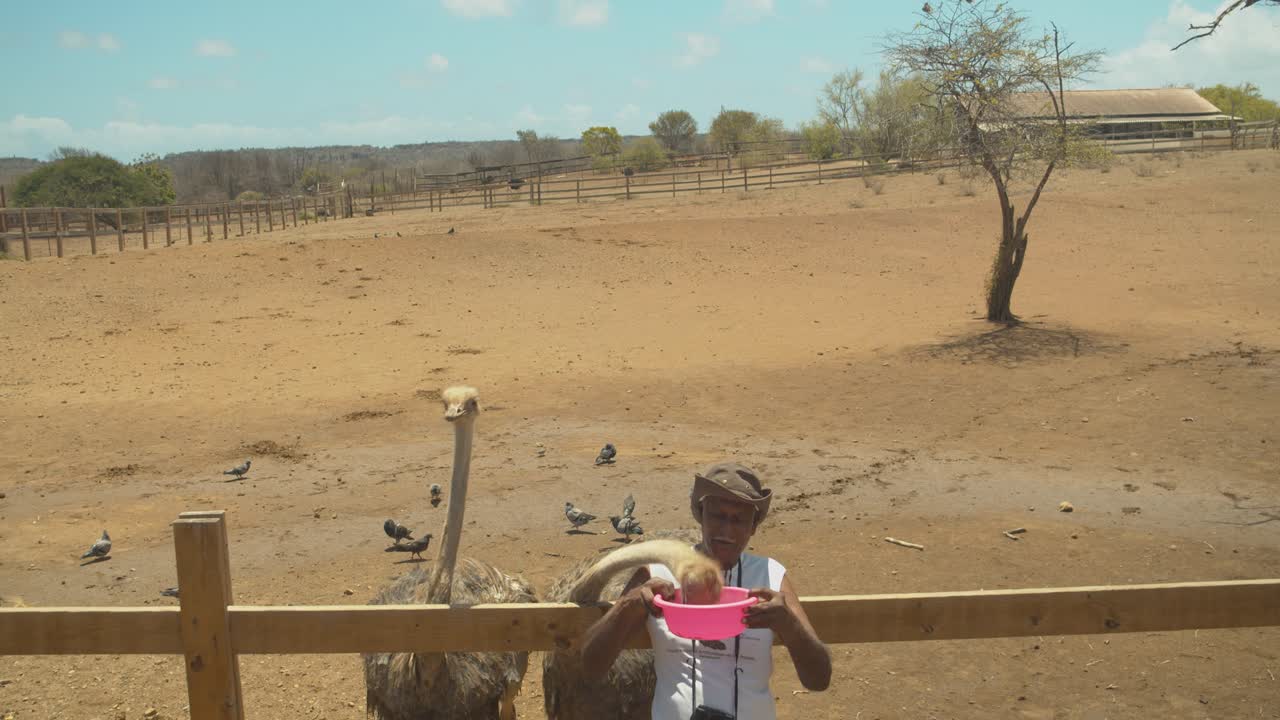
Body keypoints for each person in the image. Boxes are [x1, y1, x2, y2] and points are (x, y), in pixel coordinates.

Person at [580, 462, 831, 719]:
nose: (726, 530)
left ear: (753, 526)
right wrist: (629, 604)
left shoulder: (771, 576)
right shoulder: (659, 572)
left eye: (738, 520)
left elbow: (819, 680)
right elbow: (590, 666)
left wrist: (788, 623)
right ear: (700, 514)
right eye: (717, 516)